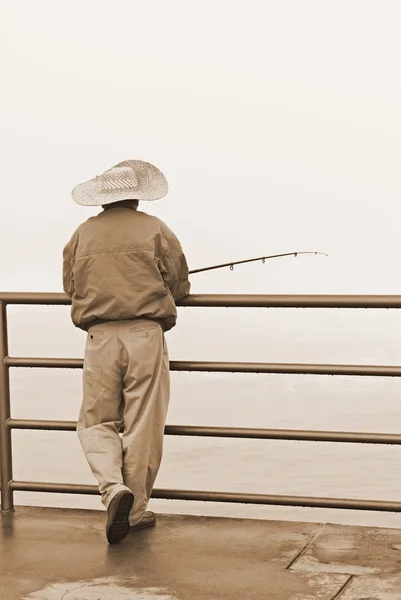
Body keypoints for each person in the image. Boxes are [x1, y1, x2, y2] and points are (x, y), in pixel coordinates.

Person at [62, 159, 190, 544]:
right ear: (136, 196)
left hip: (99, 335)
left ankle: (112, 488)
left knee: (96, 420)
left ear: (101, 200)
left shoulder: (82, 234)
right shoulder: (155, 229)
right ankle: (133, 511)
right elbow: (179, 284)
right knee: (142, 421)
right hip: (144, 333)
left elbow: (70, 285)